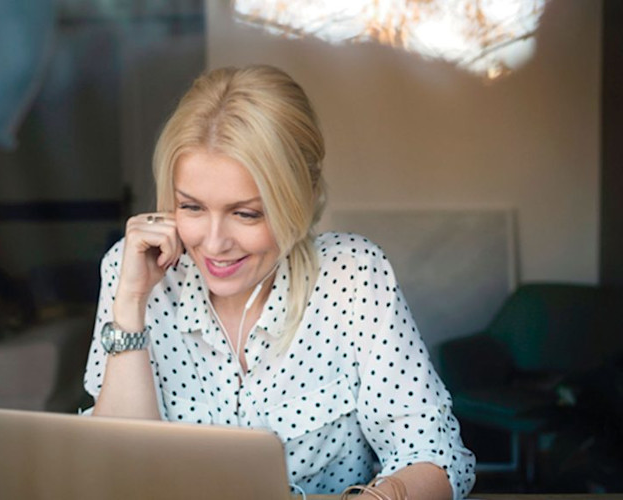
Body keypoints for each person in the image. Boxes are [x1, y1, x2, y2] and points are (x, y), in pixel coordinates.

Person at [83, 64, 476, 499]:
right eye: (191, 208)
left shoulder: (352, 276)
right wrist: (131, 302)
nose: (213, 244)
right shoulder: (134, 269)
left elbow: (435, 454)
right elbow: (113, 476)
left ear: (298, 199)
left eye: (246, 213)